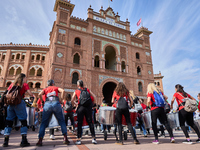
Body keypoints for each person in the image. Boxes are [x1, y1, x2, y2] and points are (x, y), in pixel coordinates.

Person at [32, 79, 70, 146]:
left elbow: (39, 94)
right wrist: (60, 100)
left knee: (43, 123)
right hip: (56, 103)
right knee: (61, 121)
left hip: (47, 104)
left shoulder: (45, 89)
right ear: (53, 83)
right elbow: (63, 91)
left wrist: (42, 101)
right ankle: (65, 138)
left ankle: (40, 140)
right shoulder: (55, 88)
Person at [2, 73, 34, 147]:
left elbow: (6, 93)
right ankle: (23, 140)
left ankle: (6, 141)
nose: (26, 79)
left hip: (10, 104)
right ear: (23, 78)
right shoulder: (24, 84)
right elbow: (30, 93)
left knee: (9, 121)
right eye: (26, 78)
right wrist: (32, 96)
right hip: (19, 103)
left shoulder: (12, 84)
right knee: (23, 121)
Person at [71, 80, 97, 145]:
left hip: (81, 107)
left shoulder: (77, 91)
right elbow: (94, 97)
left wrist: (75, 104)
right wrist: (94, 105)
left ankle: (79, 139)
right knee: (90, 122)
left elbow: (72, 100)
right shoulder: (87, 89)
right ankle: (93, 138)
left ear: (78, 85)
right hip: (88, 108)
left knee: (80, 123)